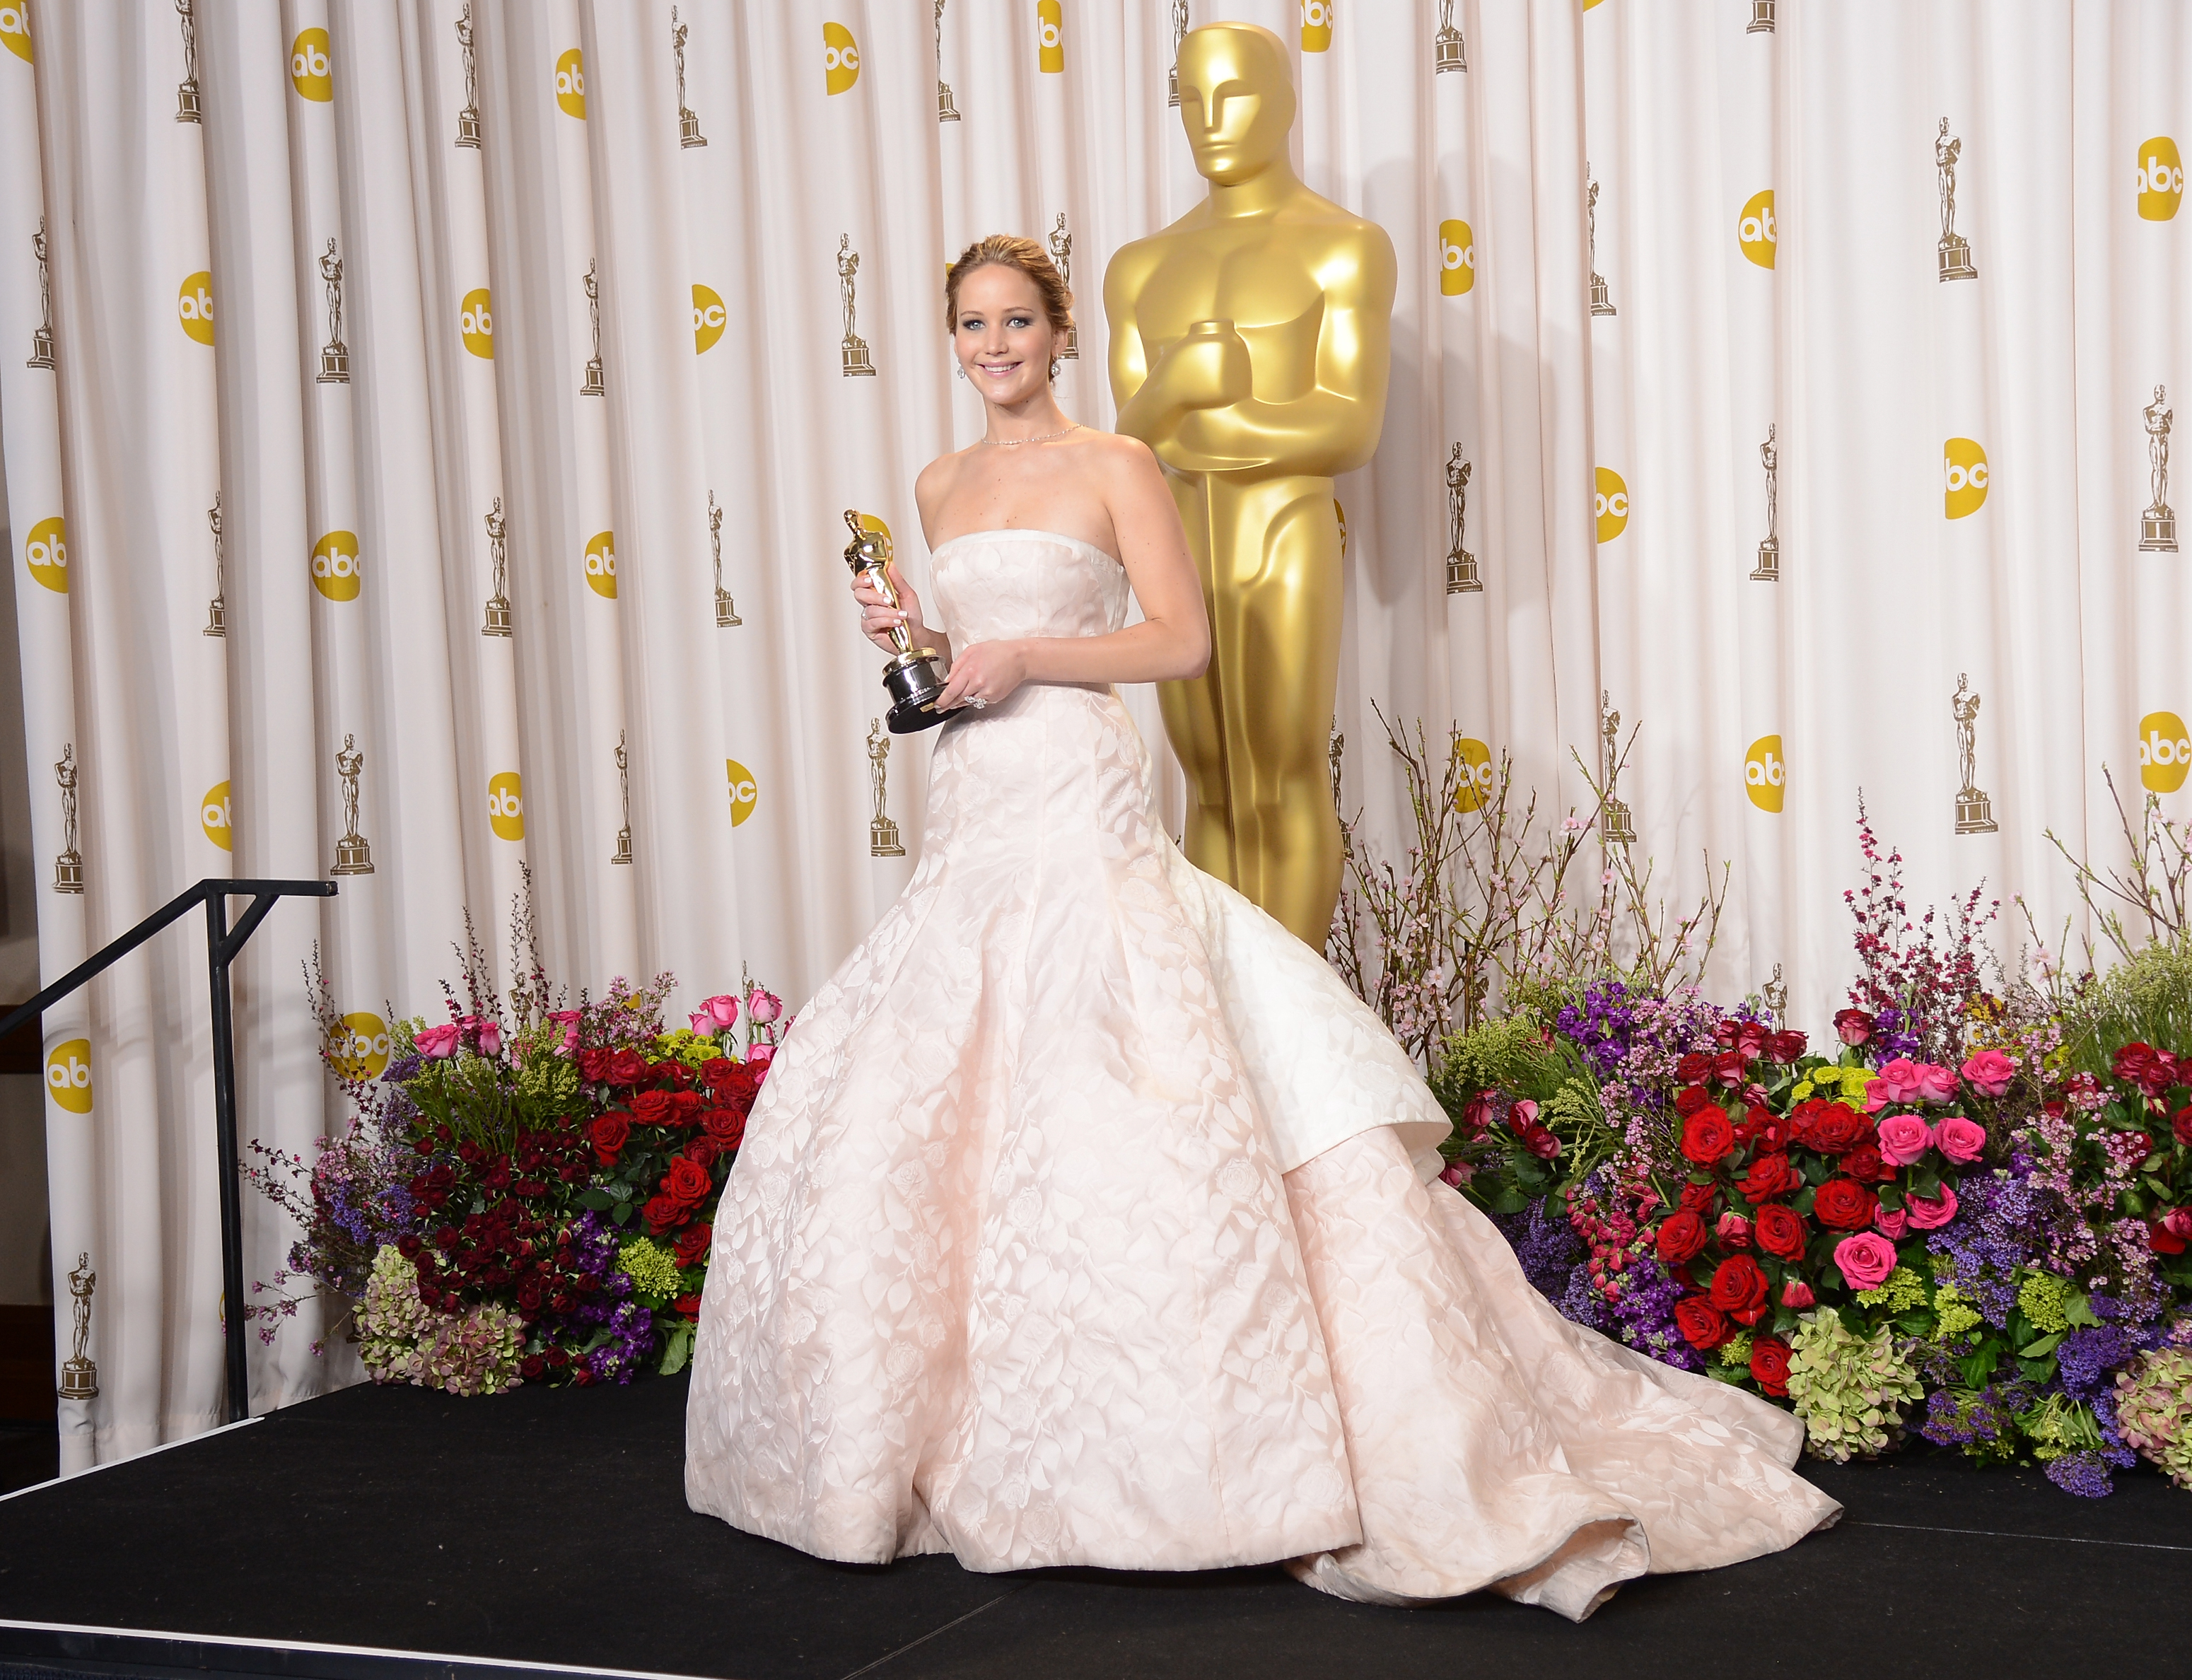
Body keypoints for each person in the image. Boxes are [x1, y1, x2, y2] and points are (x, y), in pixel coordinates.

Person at [684, 235, 1838, 1620]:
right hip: (972, 791)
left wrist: (1025, 655)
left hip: (1076, 780)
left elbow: (1177, 643)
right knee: (958, 1073)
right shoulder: (936, 484)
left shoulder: (1114, 463)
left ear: (1059, 333)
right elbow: (965, 664)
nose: (992, 345)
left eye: (1014, 321)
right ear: (952, 342)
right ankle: (968, 1433)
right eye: (970, 326)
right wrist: (918, 644)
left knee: (1106, 1047)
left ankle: (1185, 1451)